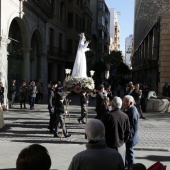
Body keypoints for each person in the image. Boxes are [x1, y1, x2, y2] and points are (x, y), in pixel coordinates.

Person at [103, 96, 130, 165]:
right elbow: (128, 132)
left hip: (110, 146)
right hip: (121, 145)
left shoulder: (108, 116)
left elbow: (103, 132)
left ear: (112, 105)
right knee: (120, 165)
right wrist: (123, 142)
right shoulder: (125, 116)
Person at [123, 95, 139, 170]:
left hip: (130, 138)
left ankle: (132, 168)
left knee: (130, 154)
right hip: (131, 137)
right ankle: (127, 167)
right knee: (127, 154)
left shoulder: (132, 112)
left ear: (131, 103)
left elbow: (130, 128)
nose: (123, 105)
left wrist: (127, 138)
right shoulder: (130, 110)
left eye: (125, 103)